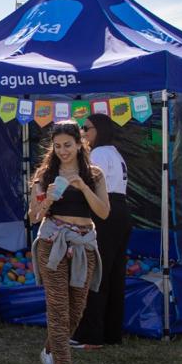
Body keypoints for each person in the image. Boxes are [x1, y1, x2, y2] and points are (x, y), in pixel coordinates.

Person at [28, 121, 110, 364]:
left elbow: (104, 213)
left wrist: (83, 188)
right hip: (52, 243)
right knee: (59, 307)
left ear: (79, 144)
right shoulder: (45, 174)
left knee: (76, 308)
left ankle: (49, 351)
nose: (63, 150)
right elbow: (34, 216)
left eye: (68, 145)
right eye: (58, 145)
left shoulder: (95, 175)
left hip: (84, 244)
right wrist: (48, 199)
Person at [72, 114, 132, 348]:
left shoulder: (97, 154)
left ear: (100, 130)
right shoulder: (115, 153)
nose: (83, 133)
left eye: (86, 128)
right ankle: (111, 333)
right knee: (115, 275)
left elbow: (89, 188)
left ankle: (90, 336)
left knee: (95, 274)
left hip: (105, 212)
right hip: (121, 213)